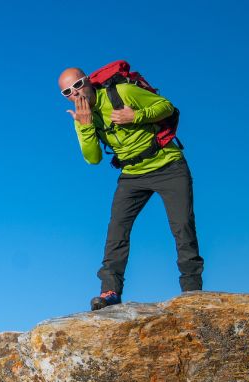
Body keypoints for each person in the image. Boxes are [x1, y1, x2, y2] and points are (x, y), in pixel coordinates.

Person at [60, 66, 203, 310]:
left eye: (78, 84)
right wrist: (84, 127)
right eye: (67, 92)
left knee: (182, 226)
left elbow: (166, 107)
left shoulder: (123, 92)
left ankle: (192, 291)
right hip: (132, 174)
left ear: (88, 82)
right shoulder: (83, 118)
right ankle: (109, 292)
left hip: (168, 165)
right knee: (116, 230)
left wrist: (135, 116)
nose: (75, 93)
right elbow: (93, 159)